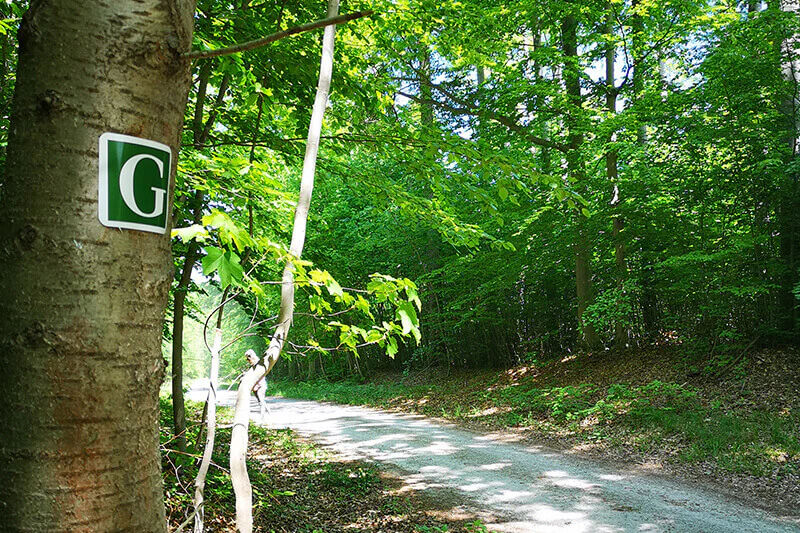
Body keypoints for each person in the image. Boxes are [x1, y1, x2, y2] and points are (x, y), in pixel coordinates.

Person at [246, 349, 270, 421]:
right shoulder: (252, 365)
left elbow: (260, 375)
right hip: (255, 385)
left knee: (261, 401)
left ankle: (261, 418)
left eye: (249, 357)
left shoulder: (258, 363)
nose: (248, 359)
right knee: (261, 401)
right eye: (247, 357)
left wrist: (257, 384)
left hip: (261, 385)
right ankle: (270, 414)